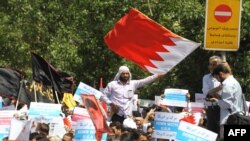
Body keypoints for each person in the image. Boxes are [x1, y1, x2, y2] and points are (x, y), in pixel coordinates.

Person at [209, 63, 245, 140]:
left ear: (221, 74)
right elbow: (232, 101)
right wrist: (220, 97)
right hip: (236, 118)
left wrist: (216, 100)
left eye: (217, 78)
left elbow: (226, 104)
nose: (218, 80)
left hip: (229, 120)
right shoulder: (234, 82)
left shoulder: (227, 84)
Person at [202, 56, 222, 136]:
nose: (212, 67)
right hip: (210, 109)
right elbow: (207, 93)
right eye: (210, 64)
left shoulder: (224, 77)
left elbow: (225, 95)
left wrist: (212, 92)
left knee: (221, 134)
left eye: (214, 64)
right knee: (211, 134)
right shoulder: (206, 77)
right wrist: (220, 88)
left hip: (222, 109)